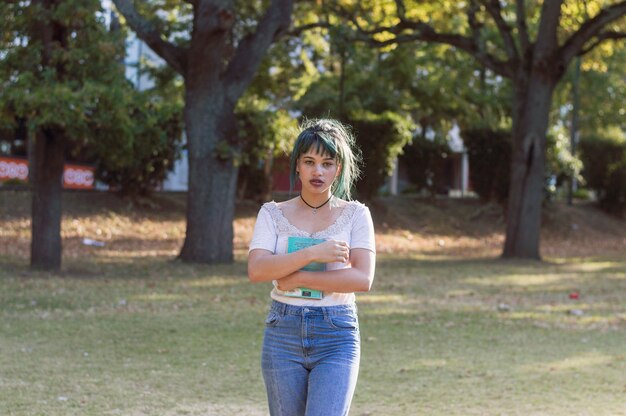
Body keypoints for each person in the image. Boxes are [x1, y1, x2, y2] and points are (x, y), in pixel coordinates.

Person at [247, 118, 376, 416]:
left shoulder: (357, 215)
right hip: (283, 333)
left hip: (337, 333)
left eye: (327, 163)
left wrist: (297, 278)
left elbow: (362, 278)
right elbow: (257, 270)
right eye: (309, 161)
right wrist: (314, 253)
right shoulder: (271, 213)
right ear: (297, 166)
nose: (318, 171)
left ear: (338, 169)